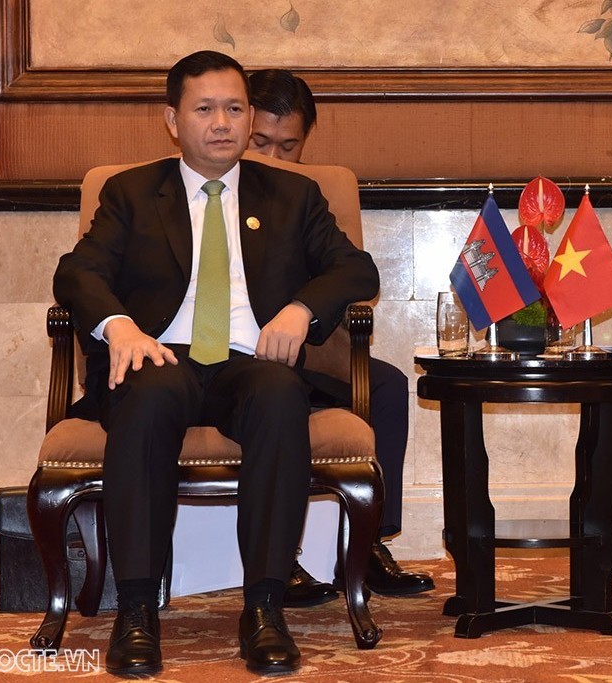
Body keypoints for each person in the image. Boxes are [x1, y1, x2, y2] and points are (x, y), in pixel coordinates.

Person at [53, 51, 379, 677]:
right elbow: (78, 272)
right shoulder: (131, 193)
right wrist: (120, 327)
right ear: (172, 120)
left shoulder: (292, 193)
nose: (223, 123)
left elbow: (354, 269)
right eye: (204, 109)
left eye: (235, 108)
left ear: (249, 114)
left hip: (245, 361)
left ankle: (264, 608)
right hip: (158, 355)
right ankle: (138, 611)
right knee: (148, 394)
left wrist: (300, 311)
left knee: (280, 394)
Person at [245, 68, 435, 606]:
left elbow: (356, 271)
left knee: (388, 385)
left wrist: (302, 309)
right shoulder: (202, 191)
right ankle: (279, 559)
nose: (274, 160)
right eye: (261, 144)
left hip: (297, 354)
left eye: (289, 147)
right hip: (220, 363)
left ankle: (368, 543)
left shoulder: (303, 197)